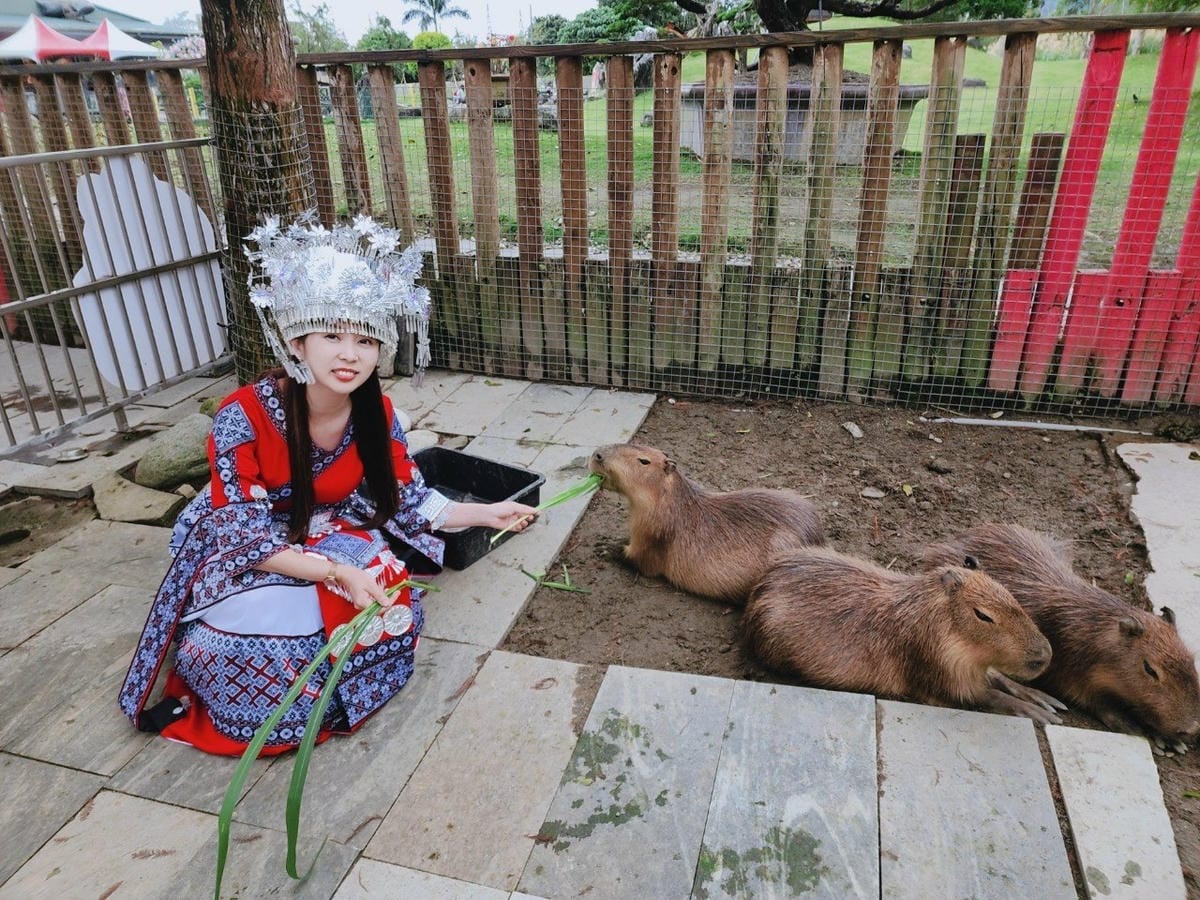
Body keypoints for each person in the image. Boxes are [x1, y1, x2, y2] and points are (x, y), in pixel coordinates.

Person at [118, 213, 538, 756]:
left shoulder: (377, 412)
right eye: (332, 335)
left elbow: (410, 499)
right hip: (246, 542)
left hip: (325, 529)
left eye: (365, 339)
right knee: (252, 648)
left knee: (384, 594)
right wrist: (336, 571)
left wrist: (487, 514)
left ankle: (333, 692)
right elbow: (246, 541)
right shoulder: (240, 416)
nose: (349, 354)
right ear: (296, 342)